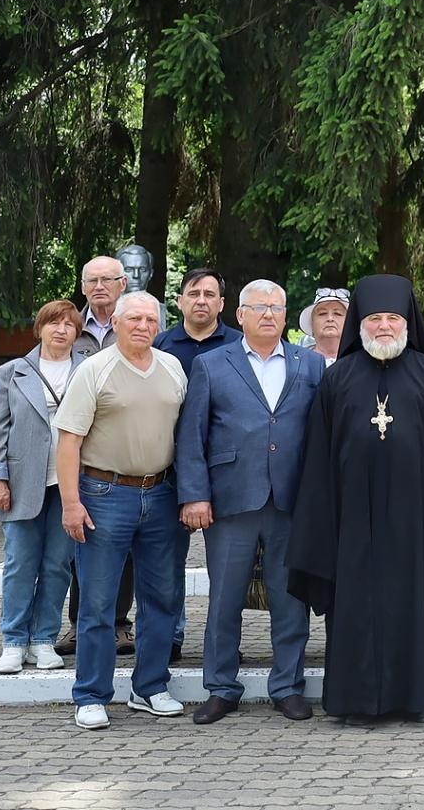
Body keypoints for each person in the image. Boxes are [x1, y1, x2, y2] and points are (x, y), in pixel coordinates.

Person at [286, 275, 424, 723]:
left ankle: (415, 700)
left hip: (414, 518)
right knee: (354, 608)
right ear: (359, 325)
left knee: (415, 605)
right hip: (352, 520)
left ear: (407, 323)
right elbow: (319, 458)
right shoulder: (338, 378)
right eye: (374, 319)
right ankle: (355, 703)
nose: (384, 327)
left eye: (392, 318)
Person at [174, 280, 324, 725]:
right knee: (224, 598)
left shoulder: (311, 364)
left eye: (276, 307)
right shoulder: (210, 364)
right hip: (231, 498)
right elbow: (191, 437)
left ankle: (288, 686)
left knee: (289, 598)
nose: (268, 315)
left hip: (292, 499)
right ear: (238, 314)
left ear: (286, 315)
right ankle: (221, 688)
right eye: (258, 307)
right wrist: (194, 495)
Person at [55, 291, 188, 731]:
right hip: (104, 493)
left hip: (162, 493)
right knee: (98, 600)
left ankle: (149, 687)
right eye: (134, 318)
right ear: (116, 321)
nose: (144, 326)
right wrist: (71, 503)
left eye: (152, 320)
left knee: (162, 596)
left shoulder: (172, 367)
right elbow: (69, 440)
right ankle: (91, 694)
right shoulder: (94, 369)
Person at [0, 300, 84, 674]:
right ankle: (13, 640)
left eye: (69, 325)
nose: (61, 330)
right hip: (22, 481)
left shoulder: (87, 370)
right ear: (39, 328)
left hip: (71, 484)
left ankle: (43, 640)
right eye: (53, 323)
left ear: (78, 332)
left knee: (58, 564)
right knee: (19, 562)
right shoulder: (14, 372)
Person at [152, 266, 238, 661]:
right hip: (167, 470)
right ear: (181, 300)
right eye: (193, 293)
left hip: (227, 470)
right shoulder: (159, 346)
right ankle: (170, 636)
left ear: (222, 302)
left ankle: (223, 645)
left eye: (209, 294)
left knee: (228, 568)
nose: (201, 300)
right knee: (167, 564)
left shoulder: (240, 346)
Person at [58, 254, 132, 656]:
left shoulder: (141, 324)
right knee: (80, 545)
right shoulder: (71, 329)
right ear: (83, 287)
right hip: (79, 456)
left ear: (123, 284)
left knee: (126, 551)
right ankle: (76, 623)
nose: (100, 286)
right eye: (92, 280)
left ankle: (121, 624)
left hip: (123, 458)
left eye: (108, 279)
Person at [299, 287, 350, 365]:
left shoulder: (361, 361)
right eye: (322, 313)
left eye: (337, 314)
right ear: (312, 322)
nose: (330, 318)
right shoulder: (297, 360)